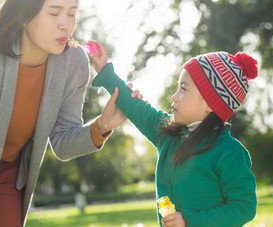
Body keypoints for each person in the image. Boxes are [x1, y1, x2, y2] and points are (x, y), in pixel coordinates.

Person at [0, 0, 142, 226]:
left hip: (7, 176)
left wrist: (103, 125)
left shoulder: (74, 62)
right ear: (24, 15)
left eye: (72, 14)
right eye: (54, 13)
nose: (65, 24)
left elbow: (62, 143)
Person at [90, 41, 258, 226]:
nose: (174, 96)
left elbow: (244, 207)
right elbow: (136, 107)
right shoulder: (167, 134)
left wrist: (189, 221)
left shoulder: (229, 152)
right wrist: (105, 71)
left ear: (211, 104)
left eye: (183, 89)